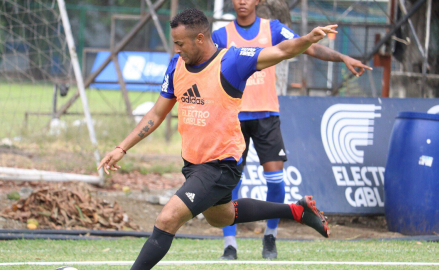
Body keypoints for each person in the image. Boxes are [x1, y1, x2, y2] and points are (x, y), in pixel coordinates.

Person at [98, 8, 335, 270]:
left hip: (221, 164)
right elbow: (156, 112)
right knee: (221, 217)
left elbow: (280, 51)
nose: (176, 49)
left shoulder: (231, 62)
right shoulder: (176, 65)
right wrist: (122, 147)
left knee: (167, 219)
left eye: (180, 43)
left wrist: (307, 39)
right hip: (193, 164)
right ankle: (297, 211)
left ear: (200, 38)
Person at [211, 0, 373, 260]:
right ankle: (230, 245)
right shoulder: (220, 35)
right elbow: (206, 67)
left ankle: (270, 238)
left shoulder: (273, 28)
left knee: (276, 181)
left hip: (267, 117)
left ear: (258, 1)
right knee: (231, 183)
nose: (242, 1)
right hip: (234, 118)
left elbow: (306, 46)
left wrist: (342, 56)